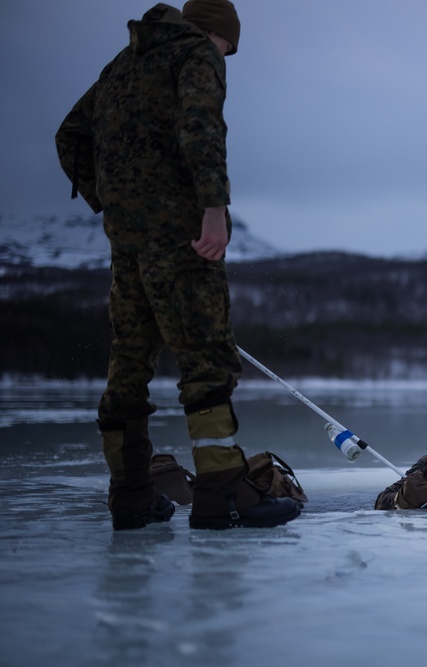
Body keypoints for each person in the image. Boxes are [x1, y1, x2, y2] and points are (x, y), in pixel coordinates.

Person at [55, 1, 300, 531]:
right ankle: (220, 496)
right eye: (225, 49)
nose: (222, 60)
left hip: (129, 246)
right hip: (183, 239)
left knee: (129, 367)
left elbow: (69, 135)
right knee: (207, 365)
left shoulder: (122, 65)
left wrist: (115, 204)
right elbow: (200, 127)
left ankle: (131, 496)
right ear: (213, 33)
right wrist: (212, 211)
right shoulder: (195, 53)